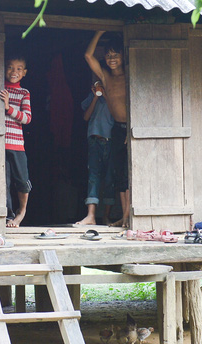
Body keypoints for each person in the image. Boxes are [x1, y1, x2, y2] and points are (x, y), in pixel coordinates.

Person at [85, 31, 130, 228]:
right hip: (117, 131)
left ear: (123, 57)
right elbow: (88, 56)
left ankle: (129, 216)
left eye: (115, 55)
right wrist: (98, 32)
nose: (111, 59)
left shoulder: (130, 74)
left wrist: (132, 130)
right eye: (108, 55)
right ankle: (124, 217)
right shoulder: (105, 77)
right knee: (120, 174)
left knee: (130, 174)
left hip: (132, 128)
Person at [76, 80, 115, 225]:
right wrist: (96, 97)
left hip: (110, 140)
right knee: (93, 176)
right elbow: (86, 117)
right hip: (94, 140)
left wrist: (107, 96)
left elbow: (117, 115)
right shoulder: (91, 96)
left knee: (110, 178)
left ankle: (106, 216)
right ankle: (91, 215)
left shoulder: (114, 95)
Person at [0, 55, 32, 228]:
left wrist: (8, 108)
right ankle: (7, 215)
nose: (14, 71)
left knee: (22, 180)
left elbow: (27, 118)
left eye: (19, 68)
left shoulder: (23, 93)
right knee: (3, 181)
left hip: (16, 143)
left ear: (24, 73)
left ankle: (22, 212)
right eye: (10, 67)